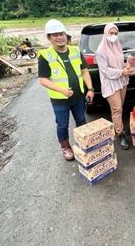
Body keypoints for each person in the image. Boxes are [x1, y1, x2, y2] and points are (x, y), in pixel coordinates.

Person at [38, 19, 95, 161]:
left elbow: (84, 71)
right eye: (55, 35)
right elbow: (43, 80)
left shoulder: (76, 51)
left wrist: (90, 89)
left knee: (81, 119)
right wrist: (61, 90)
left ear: (66, 35)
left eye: (61, 34)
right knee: (62, 124)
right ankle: (65, 147)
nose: (59, 37)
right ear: (49, 38)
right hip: (59, 100)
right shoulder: (46, 56)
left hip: (78, 97)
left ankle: (83, 143)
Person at [95, 23, 131, 149]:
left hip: (121, 81)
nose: (113, 36)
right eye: (111, 33)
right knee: (117, 109)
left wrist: (127, 65)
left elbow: (120, 62)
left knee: (120, 106)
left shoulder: (117, 45)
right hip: (111, 83)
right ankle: (120, 134)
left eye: (115, 33)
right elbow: (105, 71)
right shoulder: (100, 51)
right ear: (105, 34)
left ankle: (118, 127)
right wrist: (122, 72)